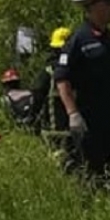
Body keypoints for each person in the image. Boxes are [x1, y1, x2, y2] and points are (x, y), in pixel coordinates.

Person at [54, 0, 110, 190]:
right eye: (109, 4)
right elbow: (62, 77)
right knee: (92, 173)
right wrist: (73, 114)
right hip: (90, 120)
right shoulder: (79, 39)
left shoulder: (109, 38)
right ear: (93, 5)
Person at [29, 26, 73, 167]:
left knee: (57, 162)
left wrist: (32, 118)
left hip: (52, 128)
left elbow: (37, 93)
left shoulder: (48, 72)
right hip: (75, 128)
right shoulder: (78, 70)